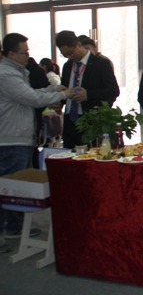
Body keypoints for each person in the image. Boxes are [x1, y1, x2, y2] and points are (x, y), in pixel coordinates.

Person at [0, 33, 74, 252]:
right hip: (11, 139)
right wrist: (63, 95)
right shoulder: (6, 74)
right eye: (24, 52)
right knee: (8, 187)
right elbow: (32, 98)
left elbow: (31, 93)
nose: (28, 56)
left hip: (20, 137)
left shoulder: (17, 71)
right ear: (11, 54)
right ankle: (4, 230)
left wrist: (53, 89)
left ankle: (14, 227)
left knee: (17, 187)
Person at [55, 31, 120, 149]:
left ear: (78, 45)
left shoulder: (100, 63)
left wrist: (88, 95)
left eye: (70, 52)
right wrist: (60, 99)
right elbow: (66, 91)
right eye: (65, 55)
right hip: (70, 122)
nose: (69, 57)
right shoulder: (67, 66)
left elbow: (113, 91)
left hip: (91, 123)